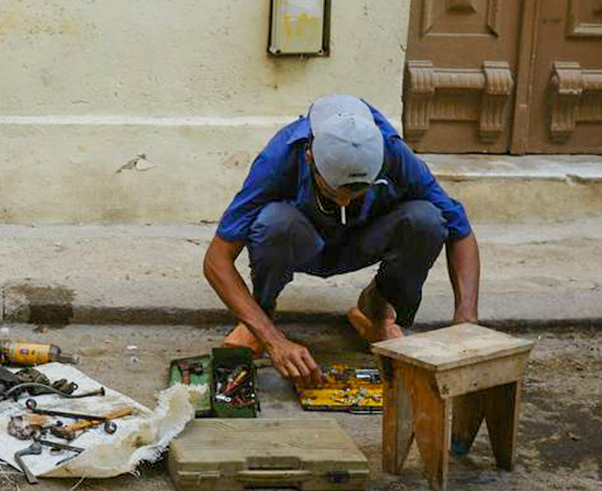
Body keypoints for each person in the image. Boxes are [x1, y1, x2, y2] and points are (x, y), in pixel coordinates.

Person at [201, 94, 480, 386]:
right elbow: (216, 260)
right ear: (310, 157)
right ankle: (261, 316)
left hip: (362, 242)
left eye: (357, 191)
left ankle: (377, 308)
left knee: (427, 220)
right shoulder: (279, 157)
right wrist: (273, 341)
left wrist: (466, 322)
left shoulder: (393, 152)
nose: (345, 201)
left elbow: (460, 230)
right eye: (335, 192)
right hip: (304, 243)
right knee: (274, 224)